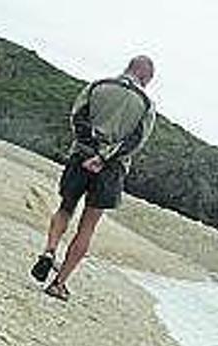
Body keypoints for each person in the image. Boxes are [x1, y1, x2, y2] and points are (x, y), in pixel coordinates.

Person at [30, 56, 157, 301]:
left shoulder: (98, 85)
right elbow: (136, 141)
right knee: (87, 227)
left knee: (65, 208)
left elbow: (77, 117)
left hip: (80, 157)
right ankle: (58, 283)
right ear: (146, 77)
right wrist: (103, 158)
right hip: (111, 169)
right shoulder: (145, 103)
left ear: (128, 67)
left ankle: (49, 250)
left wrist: (90, 148)